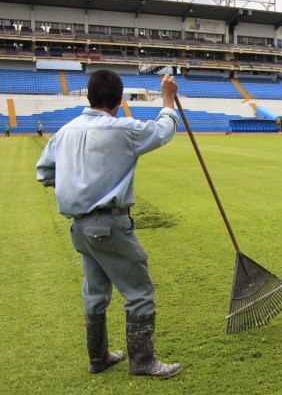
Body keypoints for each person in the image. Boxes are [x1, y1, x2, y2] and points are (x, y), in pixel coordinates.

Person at [36, 70, 183, 379]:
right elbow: (163, 131)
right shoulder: (121, 129)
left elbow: (45, 173)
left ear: (89, 96)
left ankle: (98, 358)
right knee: (139, 291)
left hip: (81, 227)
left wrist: (76, 183)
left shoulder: (64, 132)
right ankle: (143, 361)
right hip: (110, 224)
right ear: (119, 100)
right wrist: (168, 98)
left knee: (95, 292)